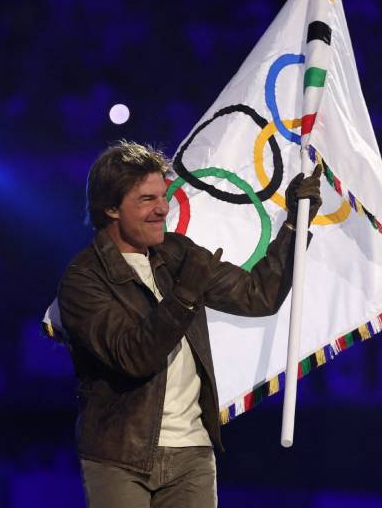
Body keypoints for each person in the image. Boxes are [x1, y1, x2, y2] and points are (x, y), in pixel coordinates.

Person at [58, 140, 322, 507]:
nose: (162, 208)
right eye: (147, 199)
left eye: (162, 196)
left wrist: (295, 223)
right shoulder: (83, 279)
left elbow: (258, 295)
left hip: (192, 453)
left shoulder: (177, 252)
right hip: (119, 457)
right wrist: (183, 296)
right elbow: (133, 356)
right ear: (110, 208)